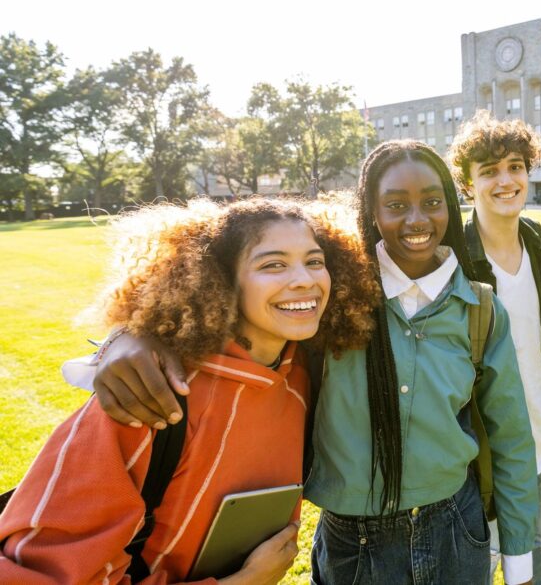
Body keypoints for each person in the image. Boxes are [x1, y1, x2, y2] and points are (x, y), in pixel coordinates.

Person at [87, 141, 539, 585]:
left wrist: (519, 558)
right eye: (396, 204)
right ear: (371, 210)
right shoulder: (326, 296)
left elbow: (511, 436)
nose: (417, 219)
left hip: (456, 529)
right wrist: (129, 336)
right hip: (355, 544)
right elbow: (221, 281)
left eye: (433, 202)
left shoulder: (480, 309)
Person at [0, 196, 379, 583]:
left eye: (314, 261)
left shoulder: (307, 371)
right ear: (221, 280)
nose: (304, 280)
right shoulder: (148, 395)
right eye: (273, 265)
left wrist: (124, 336)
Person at [448, 111, 541, 585]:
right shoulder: (453, 255)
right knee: (483, 560)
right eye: (489, 171)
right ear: (468, 183)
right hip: (484, 444)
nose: (506, 180)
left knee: (539, 550)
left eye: (515, 166)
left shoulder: (539, 241)